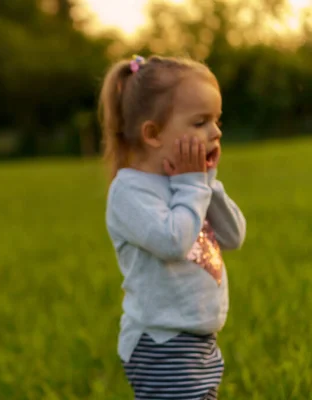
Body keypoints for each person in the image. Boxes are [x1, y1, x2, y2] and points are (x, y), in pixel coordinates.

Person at [100, 55, 246, 399]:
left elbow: (233, 236)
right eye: (200, 122)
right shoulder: (129, 192)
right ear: (153, 134)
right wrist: (193, 184)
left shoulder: (186, 183)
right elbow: (172, 242)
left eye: (216, 120)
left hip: (198, 339)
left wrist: (207, 181)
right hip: (161, 342)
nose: (216, 132)